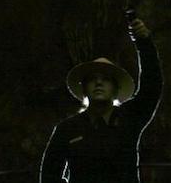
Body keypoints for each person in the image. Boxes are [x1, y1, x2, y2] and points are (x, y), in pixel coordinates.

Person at [39, 17, 163, 183]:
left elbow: (152, 86)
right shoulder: (67, 129)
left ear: (116, 88)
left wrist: (144, 43)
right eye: (92, 79)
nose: (99, 82)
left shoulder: (130, 118)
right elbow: (49, 174)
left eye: (106, 79)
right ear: (84, 88)